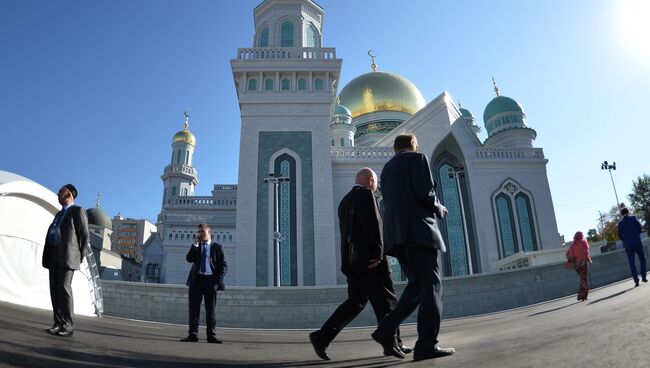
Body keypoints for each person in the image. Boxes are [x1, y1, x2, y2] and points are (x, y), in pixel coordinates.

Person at [308, 168, 412, 360]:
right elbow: (373, 225)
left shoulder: (344, 202)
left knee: (356, 302)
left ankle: (321, 337)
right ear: (371, 180)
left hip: (353, 262)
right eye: (375, 182)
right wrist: (378, 254)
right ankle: (391, 343)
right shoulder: (365, 194)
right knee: (387, 301)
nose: (375, 186)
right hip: (371, 261)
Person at [371, 133, 455, 362]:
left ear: (395, 149)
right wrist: (439, 207)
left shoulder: (386, 169)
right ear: (413, 146)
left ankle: (385, 328)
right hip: (419, 232)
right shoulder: (418, 159)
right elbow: (425, 192)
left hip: (398, 238)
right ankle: (426, 345)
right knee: (432, 288)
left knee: (417, 286)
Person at [42, 184, 90, 337]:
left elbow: (84, 235)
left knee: (64, 287)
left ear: (69, 194)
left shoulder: (78, 211)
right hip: (54, 254)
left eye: (60, 192)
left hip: (68, 256)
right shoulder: (58, 214)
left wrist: (80, 256)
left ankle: (68, 325)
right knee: (54, 289)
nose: (58, 194)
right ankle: (58, 323)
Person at [181, 223, 228, 343]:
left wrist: (217, 282)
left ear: (209, 232)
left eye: (202, 231)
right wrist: (195, 244)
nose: (200, 234)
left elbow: (224, 266)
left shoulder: (217, 247)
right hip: (196, 281)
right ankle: (193, 335)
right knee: (193, 309)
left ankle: (211, 336)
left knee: (210, 310)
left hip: (210, 281)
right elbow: (189, 259)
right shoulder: (197, 246)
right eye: (199, 232)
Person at [618, 207, 647, 287]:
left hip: (629, 245)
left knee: (632, 263)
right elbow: (639, 229)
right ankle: (643, 277)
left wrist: (626, 240)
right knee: (642, 259)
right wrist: (636, 235)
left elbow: (620, 236)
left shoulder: (620, 223)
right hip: (637, 243)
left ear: (621, 214)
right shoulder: (633, 218)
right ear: (628, 212)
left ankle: (636, 280)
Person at [565, 231, 592, 301]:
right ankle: (582, 296)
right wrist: (587, 259)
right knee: (584, 279)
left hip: (576, 265)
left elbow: (568, 254)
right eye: (582, 235)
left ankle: (582, 296)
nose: (583, 236)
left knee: (582, 279)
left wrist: (572, 261)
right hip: (583, 264)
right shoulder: (584, 242)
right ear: (580, 236)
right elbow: (586, 252)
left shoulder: (572, 244)